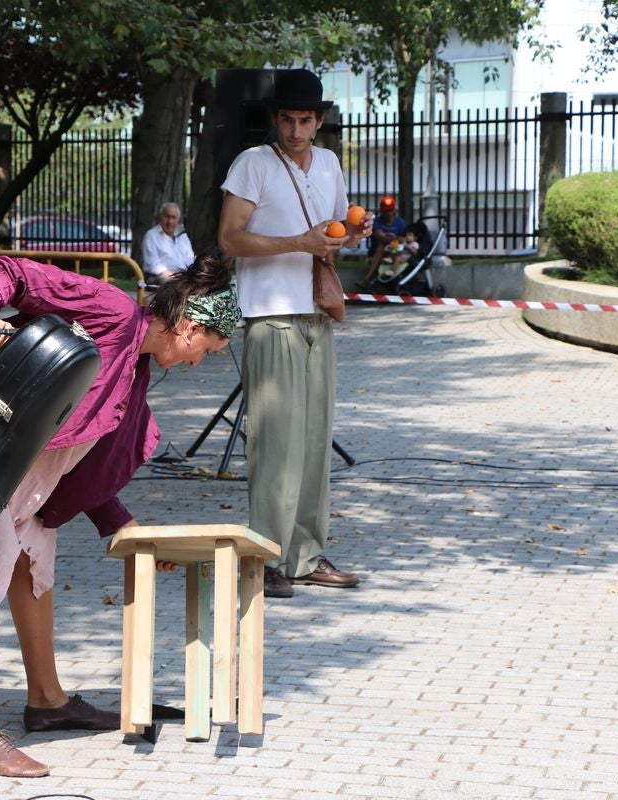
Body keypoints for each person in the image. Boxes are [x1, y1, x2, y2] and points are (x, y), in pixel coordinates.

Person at [0, 250, 240, 777]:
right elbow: (12, 271)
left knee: (34, 543)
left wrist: (122, 527)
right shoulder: (113, 309)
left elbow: (73, 463)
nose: (200, 361)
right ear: (187, 324)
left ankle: (46, 700)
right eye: (208, 348)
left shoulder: (134, 371)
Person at [217, 68, 370, 600]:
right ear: (276, 119)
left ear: (319, 121)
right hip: (270, 316)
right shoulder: (252, 164)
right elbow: (230, 238)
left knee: (312, 444)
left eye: (306, 120)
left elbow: (331, 241)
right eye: (288, 119)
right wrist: (297, 242)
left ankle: (306, 555)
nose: (296, 130)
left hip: (317, 315)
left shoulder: (328, 163)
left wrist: (351, 233)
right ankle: (263, 559)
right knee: (274, 444)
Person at [356, 195, 407, 289]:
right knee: (381, 245)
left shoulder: (401, 222)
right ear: (381, 211)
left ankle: (367, 279)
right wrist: (395, 238)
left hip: (395, 253)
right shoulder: (376, 222)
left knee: (389, 246)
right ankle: (368, 279)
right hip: (377, 252)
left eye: (391, 210)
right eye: (386, 211)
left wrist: (394, 239)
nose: (389, 213)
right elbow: (381, 238)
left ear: (395, 210)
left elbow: (404, 240)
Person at [140, 202, 195, 285]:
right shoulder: (151, 236)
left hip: (183, 277)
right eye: (167, 217)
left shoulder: (183, 236)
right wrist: (175, 277)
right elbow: (152, 265)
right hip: (159, 277)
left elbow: (191, 259)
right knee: (171, 283)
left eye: (173, 217)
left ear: (178, 220)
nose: (170, 221)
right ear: (160, 217)